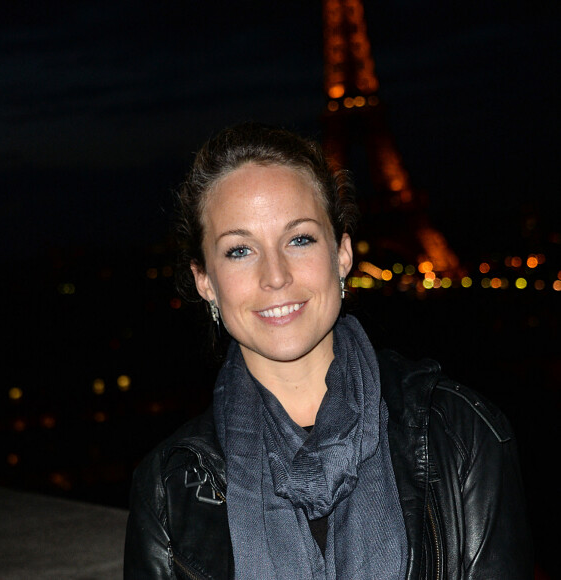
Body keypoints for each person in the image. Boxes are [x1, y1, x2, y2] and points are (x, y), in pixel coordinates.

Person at [124, 123, 532, 579]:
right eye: (240, 250)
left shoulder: (463, 435)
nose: (275, 276)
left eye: (299, 239)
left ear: (342, 254)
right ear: (205, 281)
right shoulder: (167, 486)